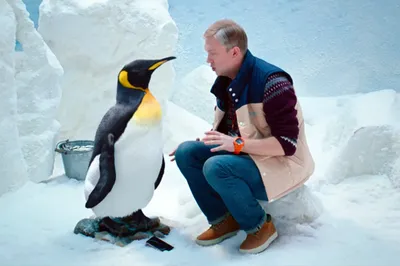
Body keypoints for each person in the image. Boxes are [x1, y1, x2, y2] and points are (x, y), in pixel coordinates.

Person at [169, 19, 315, 254]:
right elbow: (231, 129)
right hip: (248, 155)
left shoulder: (273, 83)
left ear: (234, 52)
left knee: (217, 167)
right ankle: (224, 220)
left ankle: (260, 227)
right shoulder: (227, 81)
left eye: (212, 53)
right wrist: (207, 145)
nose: (208, 60)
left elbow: (287, 145)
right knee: (187, 153)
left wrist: (237, 144)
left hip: (282, 162)